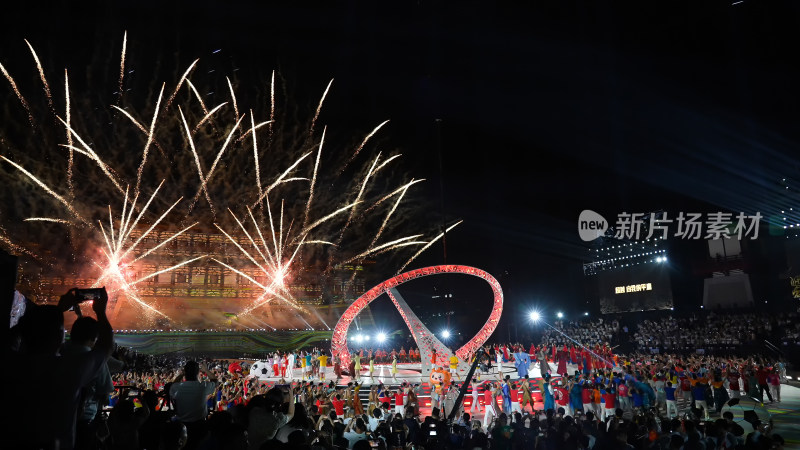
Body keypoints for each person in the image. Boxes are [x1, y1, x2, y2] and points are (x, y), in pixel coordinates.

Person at [6, 288, 114, 450]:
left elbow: (14, 334)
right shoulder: (68, 370)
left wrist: (56, 311)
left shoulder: (11, 363)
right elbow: (106, 346)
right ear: (58, 337)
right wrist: (100, 312)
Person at [169, 360, 219, 449]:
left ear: (185, 372)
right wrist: (206, 370)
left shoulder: (176, 387)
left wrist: (182, 374)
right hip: (200, 427)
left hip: (182, 427)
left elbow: (172, 385)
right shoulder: (203, 386)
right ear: (198, 372)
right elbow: (215, 381)